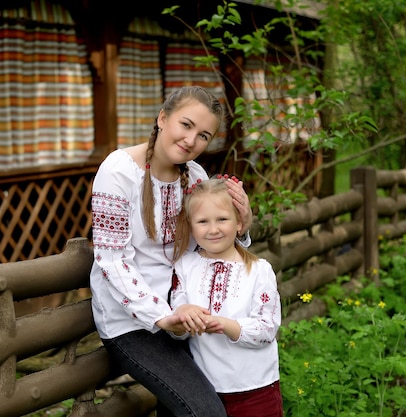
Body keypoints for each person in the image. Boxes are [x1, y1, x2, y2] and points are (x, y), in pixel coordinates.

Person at [89, 86, 253, 417]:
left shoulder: (195, 176)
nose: (192, 140)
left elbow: (208, 251)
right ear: (163, 118)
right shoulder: (119, 171)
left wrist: (242, 227)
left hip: (185, 312)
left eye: (204, 135)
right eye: (186, 125)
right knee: (206, 412)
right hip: (131, 322)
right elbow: (112, 259)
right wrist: (162, 316)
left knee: (236, 395)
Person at [169, 177, 283, 417]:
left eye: (222, 219)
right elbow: (177, 317)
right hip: (207, 389)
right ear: (191, 226)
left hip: (255, 387)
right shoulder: (185, 267)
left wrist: (225, 325)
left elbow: (267, 328)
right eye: (203, 221)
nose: (213, 229)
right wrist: (183, 313)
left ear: (239, 222)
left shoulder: (259, 270)